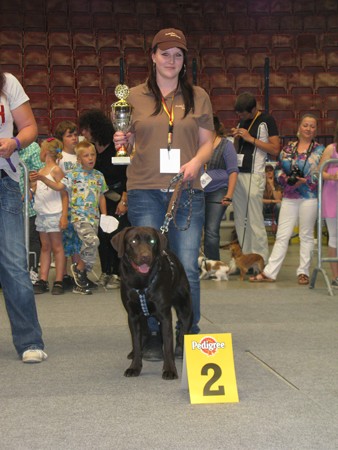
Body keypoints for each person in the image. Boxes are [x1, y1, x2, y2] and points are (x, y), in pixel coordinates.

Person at [113, 28, 214, 358]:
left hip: (185, 191)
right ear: (153, 56)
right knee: (147, 266)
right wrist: (122, 141)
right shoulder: (134, 97)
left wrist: (196, 163)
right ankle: (155, 334)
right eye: (165, 53)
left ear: (184, 60)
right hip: (143, 189)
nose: (172, 60)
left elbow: (207, 142)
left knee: (185, 266)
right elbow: (129, 137)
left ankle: (189, 333)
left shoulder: (197, 95)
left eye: (179, 54)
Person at [0, 71, 47, 363]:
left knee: (14, 263)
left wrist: (14, 144)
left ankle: (29, 340)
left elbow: (29, 127)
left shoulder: (7, 82)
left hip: (3, 180)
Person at [250, 114, 325, 284]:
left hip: (310, 196)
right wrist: (288, 181)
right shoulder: (288, 149)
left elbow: (321, 173)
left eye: (312, 126)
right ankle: (270, 272)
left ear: (315, 130)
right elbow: (277, 171)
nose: (308, 129)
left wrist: (304, 182)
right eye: (305, 125)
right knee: (282, 235)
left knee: (306, 235)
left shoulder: (320, 150)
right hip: (289, 196)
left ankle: (303, 272)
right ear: (299, 127)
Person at [31, 140, 108, 295]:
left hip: (91, 217)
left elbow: (101, 196)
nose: (91, 158)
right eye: (86, 155)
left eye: (92, 154)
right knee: (89, 241)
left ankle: (79, 273)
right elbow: (59, 188)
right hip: (75, 217)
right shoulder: (72, 174)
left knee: (83, 245)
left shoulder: (99, 176)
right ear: (79, 159)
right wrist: (39, 180)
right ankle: (76, 270)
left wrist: (105, 215)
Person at [79, 109, 129, 290]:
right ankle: (106, 271)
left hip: (118, 198)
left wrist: (124, 200)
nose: (83, 133)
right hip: (99, 200)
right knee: (101, 236)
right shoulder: (92, 152)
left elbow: (127, 176)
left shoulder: (117, 149)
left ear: (96, 129)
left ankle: (117, 273)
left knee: (116, 235)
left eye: (85, 129)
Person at [231, 92, 280, 263]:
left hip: (255, 174)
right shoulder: (242, 121)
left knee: (254, 220)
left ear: (253, 110)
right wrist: (237, 138)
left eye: (243, 114)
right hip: (239, 174)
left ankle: (261, 259)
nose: (241, 116)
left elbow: (275, 149)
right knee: (240, 219)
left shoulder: (267, 120)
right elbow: (237, 150)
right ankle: (245, 259)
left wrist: (250, 138)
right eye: (239, 114)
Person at [30, 138, 67, 295]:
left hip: (54, 213)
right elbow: (37, 192)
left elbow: (62, 191)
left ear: (45, 152)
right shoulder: (41, 171)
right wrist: (32, 187)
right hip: (42, 214)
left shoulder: (56, 170)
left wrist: (64, 215)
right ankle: (43, 278)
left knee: (57, 247)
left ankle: (59, 280)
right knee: (45, 247)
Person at [53, 120, 86, 290]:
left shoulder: (81, 155)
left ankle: (77, 275)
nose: (74, 138)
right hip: (64, 204)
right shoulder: (59, 158)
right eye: (69, 135)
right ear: (61, 139)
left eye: (75, 134)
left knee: (78, 241)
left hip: (81, 203)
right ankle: (63, 275)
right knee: (64, 240)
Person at [203, 114, 238, 261]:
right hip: (198, 190)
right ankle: (199, 263)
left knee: (211, 230)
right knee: (195, 230)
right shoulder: (197, 144)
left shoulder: (226, 145)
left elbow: (233, 171)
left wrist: (229, 195)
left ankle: (213, 264)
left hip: (218, 190)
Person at [19, 140, 44, 284]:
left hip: (28, 204)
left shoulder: (32, 147)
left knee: (31, 239)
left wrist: (30, 189)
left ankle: (32, 272)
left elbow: (39, 174)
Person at [319, 122, 338, 288]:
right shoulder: (331, 148)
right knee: (334, 236)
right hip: (332, 195)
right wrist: (332, 176)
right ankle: (335, 276)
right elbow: (320, 171)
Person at [263, 163, 282, 234]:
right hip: (264, 205)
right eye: (266, 171)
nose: (269, 172)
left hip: (274, 208)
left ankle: (279, 227)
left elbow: (278, 199)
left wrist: (271, 185)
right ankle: (259, 227)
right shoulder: (261, 185)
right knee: (259, 205)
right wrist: (272, 201)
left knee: (279, 205)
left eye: (270, 170)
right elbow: (259, 200)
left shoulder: (277, 185)